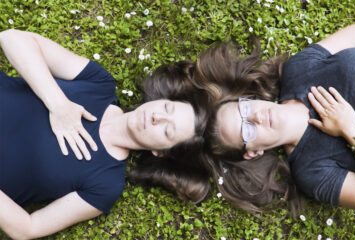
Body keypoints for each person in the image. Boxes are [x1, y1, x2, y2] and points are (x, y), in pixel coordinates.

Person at [0, 29, 206, 239]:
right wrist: (59, 105)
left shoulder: (105, 184)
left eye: (167, 130)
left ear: (159, 152)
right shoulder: (100, 84)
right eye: (167, 108)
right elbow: (11, 38)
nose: (157, 117)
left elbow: (28, 228)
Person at [204, 22, 355, 217]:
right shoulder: (312, 171)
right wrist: (352, 128)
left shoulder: (299, 69)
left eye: (244, 109)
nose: (256, 117)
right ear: (253, 152)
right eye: (247, 131)